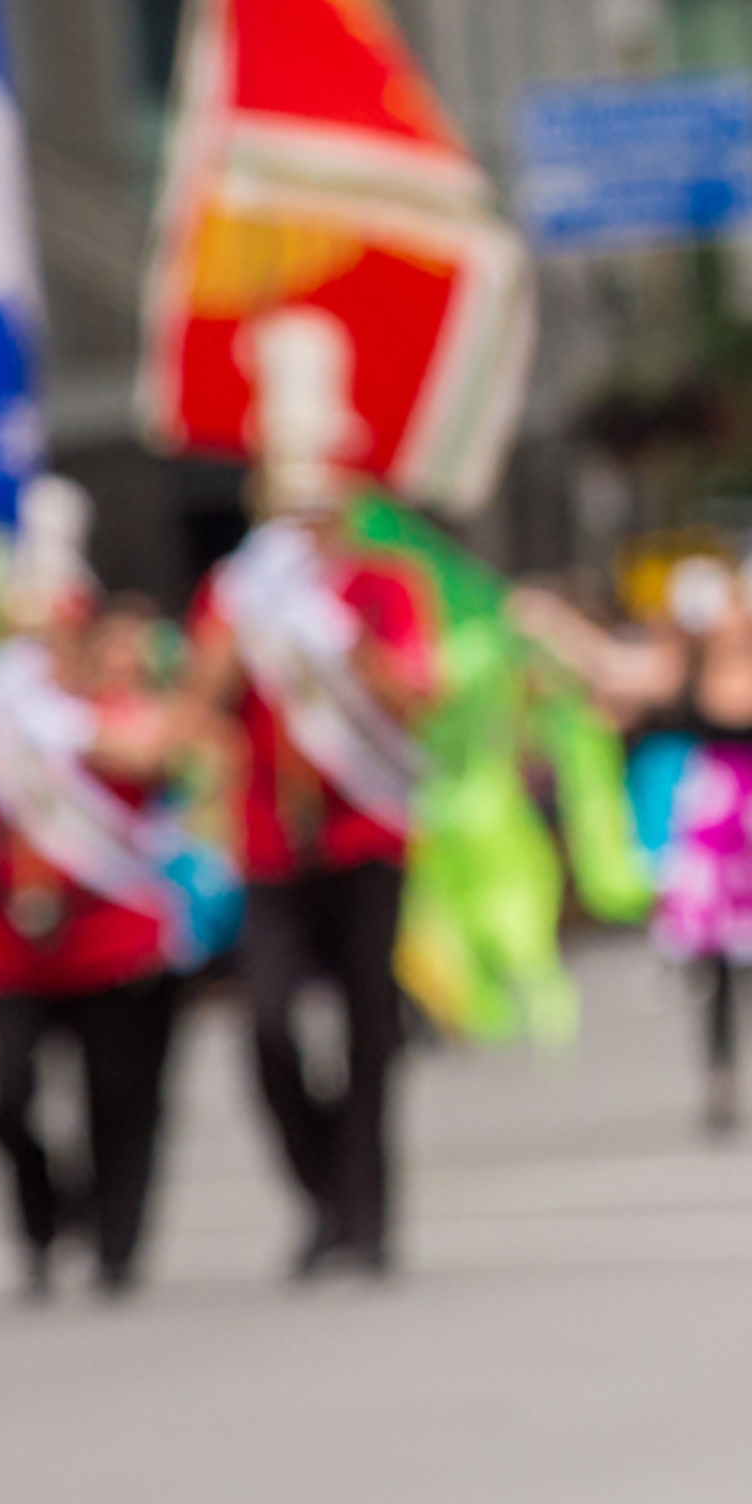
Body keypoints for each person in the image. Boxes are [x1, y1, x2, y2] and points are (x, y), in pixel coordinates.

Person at [179, 313, 439, 1280]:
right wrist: (240, 625)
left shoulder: (382, 589)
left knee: (372, 1028)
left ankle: (369, 1217)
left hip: (365, 830)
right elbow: (198, 708)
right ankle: (322, 1190)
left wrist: (337, 632)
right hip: (270, 841)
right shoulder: (236, 594)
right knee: (270, 1028)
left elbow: (416, 697)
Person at [521, 556, 752, 1134]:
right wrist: (554, 621)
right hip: (714, 828)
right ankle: (722, 1080)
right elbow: (608, 665)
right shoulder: (682, 670)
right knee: (715, 966)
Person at [0, 482, 189, 1302]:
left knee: (117, 1093)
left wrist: (63, 724)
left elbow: (150, 752)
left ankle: (117, 1241)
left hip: (109, 923)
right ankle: (45, 1216)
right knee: (6, 1099)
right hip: (13, 930)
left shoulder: (101, 702)